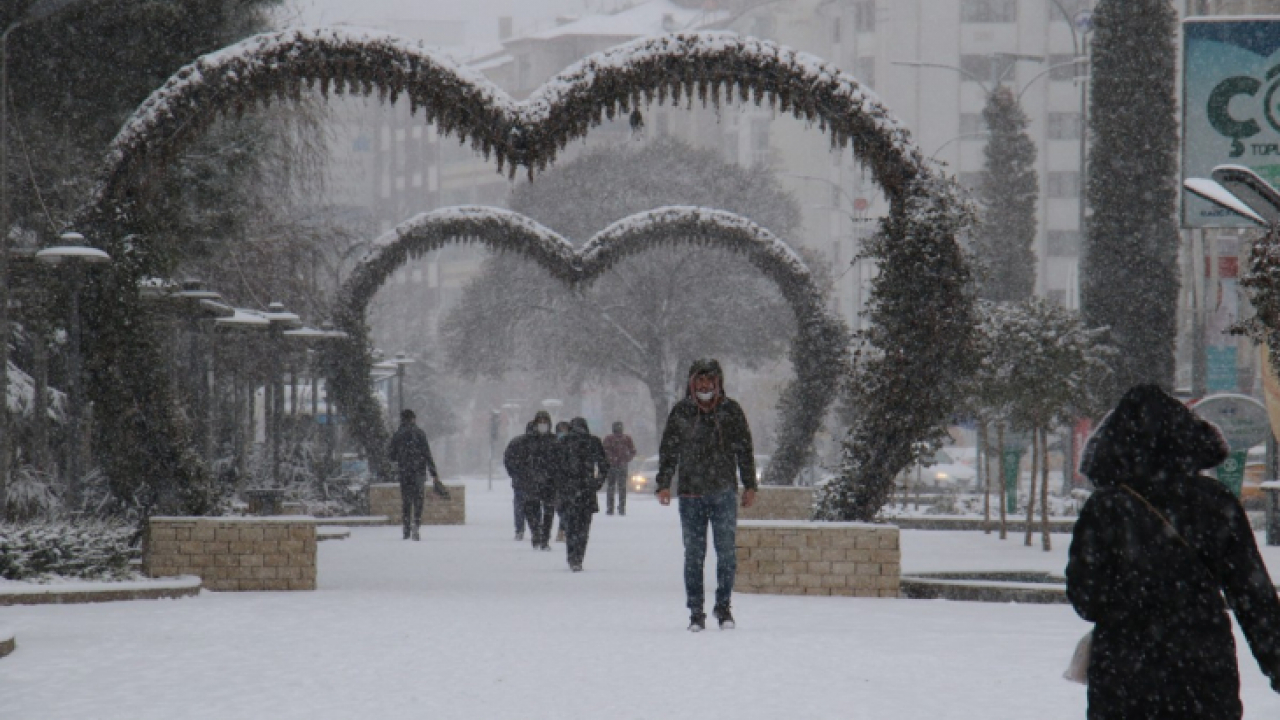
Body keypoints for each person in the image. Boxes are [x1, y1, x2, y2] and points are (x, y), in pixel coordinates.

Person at [1066, 384, 1280, 720]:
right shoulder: (1215, 502)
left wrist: (1132, 599)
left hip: (1124, 676)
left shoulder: (1105, 507)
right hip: (1203, 671)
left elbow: (1086, 599)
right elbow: (1252, 594)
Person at [656, 359, 756, 632]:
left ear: (718, 382)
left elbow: (744, 449)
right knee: (694, 555)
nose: (704, 385)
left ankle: (723, 607)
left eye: (709, 380)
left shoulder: (731, 411)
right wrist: (664, 483)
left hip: (723, 492)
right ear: (691, 383)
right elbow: (669, 450)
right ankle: (696, 612)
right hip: (690, 494)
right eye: (699, 380)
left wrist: (750, 484)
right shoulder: (681, 412)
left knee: (726, 554)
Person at [556, 417, 609, 572]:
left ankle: (572, 556)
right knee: (583, 528)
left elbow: (555, 467)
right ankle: (578, 557)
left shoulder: (563, 443)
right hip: (586, 491)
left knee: (571, 526)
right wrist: (597, 482)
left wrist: (560, 485)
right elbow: (604, 465)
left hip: (569, 491)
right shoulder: (593, 442)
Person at [503, 412, 558, 550]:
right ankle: (536, 533)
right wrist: (517, 474)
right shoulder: (522, 442)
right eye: (540, 421)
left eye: (545, 421)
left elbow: (562, 461)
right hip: (528, 482)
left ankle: (544, 538)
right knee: (531, 510)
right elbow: (509, 459)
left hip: (549, 483)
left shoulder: (554, 441)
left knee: (548, 512)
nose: (543, 424)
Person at [385, 409, 441, 541]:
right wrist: (434, 473)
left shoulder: (398, 434)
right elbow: (427, 453)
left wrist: (401, 457)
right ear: (413, 419)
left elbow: (391, 456)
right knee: (418, 501)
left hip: (405, 472)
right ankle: (416, 523)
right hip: (419, 472)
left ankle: (406, 530)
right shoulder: (420, 433)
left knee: (406, 501)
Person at [602, 421, 637, 516]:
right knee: (620, 488)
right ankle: (620, 508)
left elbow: (604, 451)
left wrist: (611, 459)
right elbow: (633, 451)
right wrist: (626, 458)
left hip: (615, 466)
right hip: (619, 466)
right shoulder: (625, 438)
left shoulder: (610, 438)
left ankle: (612, 508)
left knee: (612, 487)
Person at [554, 420, 571, 543]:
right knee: (560, 508)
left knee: (565, 507)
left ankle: (562, 530)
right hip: (557, 482)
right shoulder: (553, 443)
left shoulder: (572, 444)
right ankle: (563, 529)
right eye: (561, 430)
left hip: (568, 482)